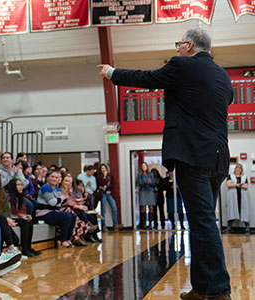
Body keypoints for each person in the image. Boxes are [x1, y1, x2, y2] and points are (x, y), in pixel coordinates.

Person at [99, 28, 233, 300]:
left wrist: (113, 73)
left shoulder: (183, 65)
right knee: (200, 222)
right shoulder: (223, 77)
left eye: (179, 43)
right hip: (217, 158)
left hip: (191, 154)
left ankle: (220, 291)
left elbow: (148, 78)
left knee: (204, 223)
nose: (177, 48)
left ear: (189, 45)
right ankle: (202, 288)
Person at [224, 164, 250, 234]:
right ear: (235, 169)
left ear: (241, 170)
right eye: (237, 169)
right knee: (231, 210)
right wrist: (236, 185)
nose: (238, 170)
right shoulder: (230, 176)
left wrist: (240, 185)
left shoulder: (244, 177)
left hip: (242, 196)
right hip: (232, 196)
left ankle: (247, 226)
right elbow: (228, 185)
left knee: (244, 210)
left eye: (240, 169)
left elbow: (246, 186)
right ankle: (229, 227)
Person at [96, 164, 121, 231]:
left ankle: (115, 225)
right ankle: (103, 225)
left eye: (104, 168)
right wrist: (104, 177)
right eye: (102, 168)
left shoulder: (110, 176)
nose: (103, 169)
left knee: (114, 208)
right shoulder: (99, 177)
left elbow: (112, 185)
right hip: (103, 194)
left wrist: (106, 186)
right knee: (103, 210)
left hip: (110, 194)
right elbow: (100, 184)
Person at [136, 162, 156, 229]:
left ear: (147, 167)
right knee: (143, 208)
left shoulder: (150, 174)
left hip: (150, 191)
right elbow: (140, 183)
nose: (144, 167)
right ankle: (143, 224)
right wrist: (146, 182)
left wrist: (149, 183)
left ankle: (150, 224)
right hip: (143, 191)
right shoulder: (139, 175)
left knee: (151, 208)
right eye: (142, 166)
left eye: (145, 166)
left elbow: (153, 183)